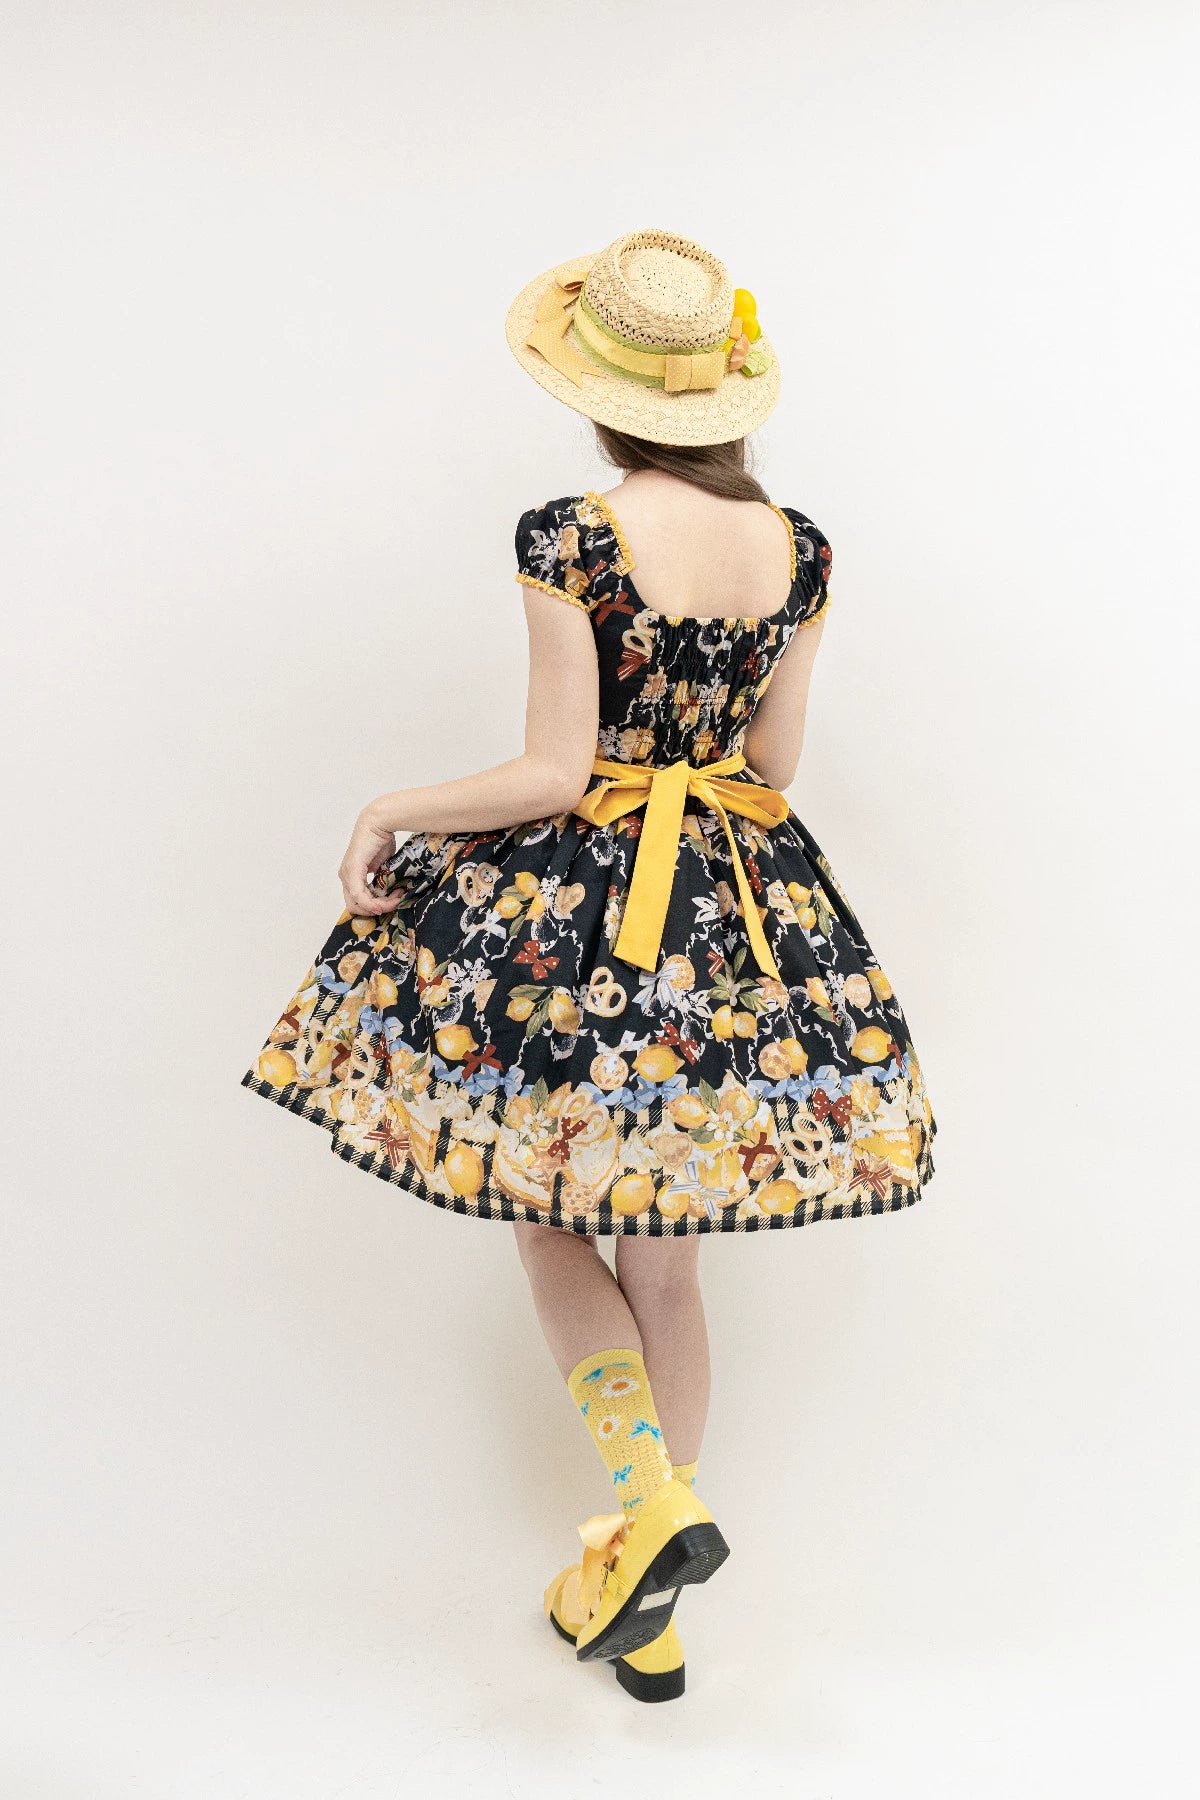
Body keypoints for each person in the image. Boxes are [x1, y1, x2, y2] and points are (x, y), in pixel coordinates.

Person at [242, 227, 937, 1704]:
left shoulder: (574, 536)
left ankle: (655, 1512)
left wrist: (392, 807)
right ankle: (648, 1594)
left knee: (541, 1203)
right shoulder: (802, 549)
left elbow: (557, 774)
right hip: (738, 914)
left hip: (585, 926)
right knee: (666, 1266)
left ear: (598, 393)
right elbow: (775, 765)